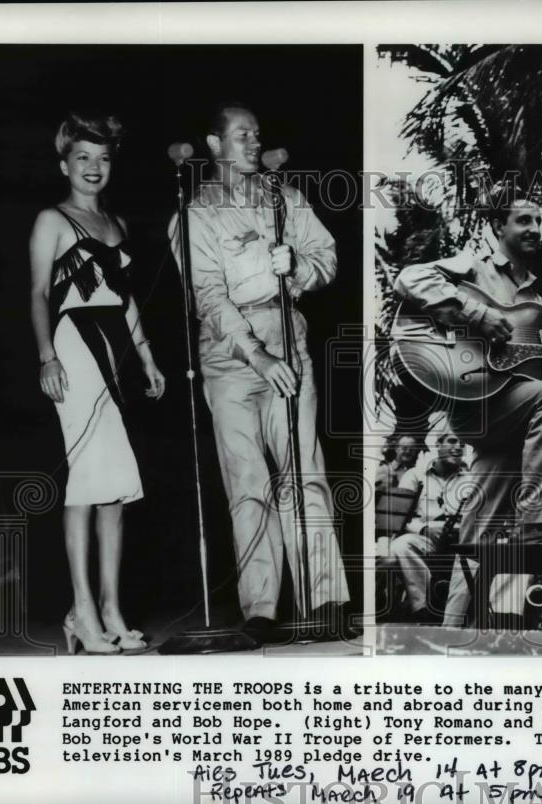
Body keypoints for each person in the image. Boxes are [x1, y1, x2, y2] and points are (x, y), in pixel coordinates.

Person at [169, 102, 351, 645]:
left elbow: (327, 259)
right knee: (248, 483)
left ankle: (326, 600)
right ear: (214, 143)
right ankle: (262, 609)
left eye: (257, 135)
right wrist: (258, 356)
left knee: (305, 472)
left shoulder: (286, 199)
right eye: (241, 135)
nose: (253, 143)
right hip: (231, 357)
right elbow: (208, 296)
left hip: (289, 343)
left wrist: (297, 264)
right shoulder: (195, 213)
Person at [394, 186, 542, 627]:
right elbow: (409, 278)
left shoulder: (537, 301)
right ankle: (540, 525)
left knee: (482, 545)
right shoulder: (472, 267)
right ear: (498, 226)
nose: (536, 228)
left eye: (539, 221)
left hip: (516, 426)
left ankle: (464, 637)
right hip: (475, 405)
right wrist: (475, 314)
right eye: (524, 220)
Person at [30, 111, 166, 654]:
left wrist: (148, 358)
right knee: (88, 474)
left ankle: (109, 609)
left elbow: (126, 300)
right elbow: (40, 293)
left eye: (103, 158)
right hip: (72, 345)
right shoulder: (53, 219)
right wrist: (45, 357)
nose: (94, 167)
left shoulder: (116, 224)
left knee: (115, 484)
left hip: (113, 349)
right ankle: (82, 611)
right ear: (64, 164)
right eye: (83, 157)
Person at [389, 430, 470, 622]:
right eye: (452, 441)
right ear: (438, 445)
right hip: (425, 538)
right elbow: (398, 518)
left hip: (460, 540)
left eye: (463, 443)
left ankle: (459, 612)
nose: (457, 447)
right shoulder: (415, 475)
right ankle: (425, 607)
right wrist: (425, 529)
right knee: (401, 545)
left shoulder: (470, 479)